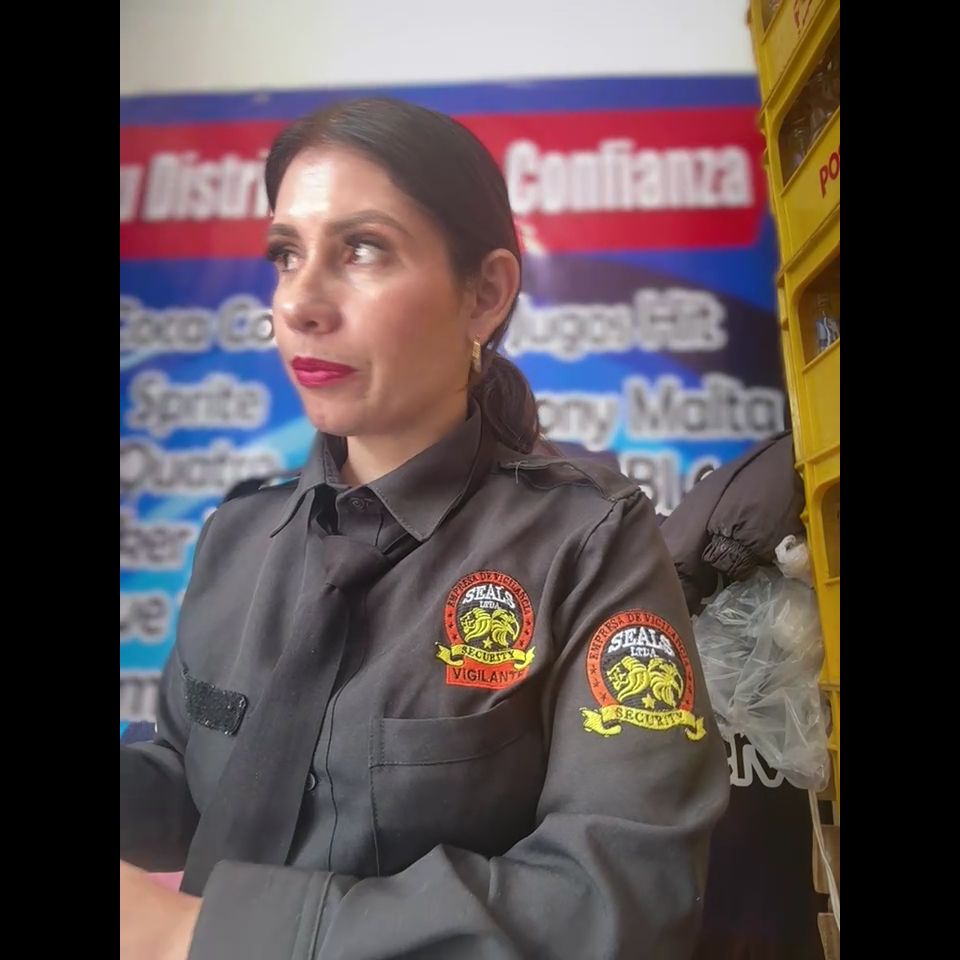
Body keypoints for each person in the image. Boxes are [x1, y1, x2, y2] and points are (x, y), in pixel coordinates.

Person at [119, 97, 729, 960]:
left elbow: (623, 894)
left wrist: (199, 934)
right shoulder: (238, 537)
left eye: (362, 249)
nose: (300, 302)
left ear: (485, 294)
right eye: (287, 254)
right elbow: (200, 780)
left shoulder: (586, 544)